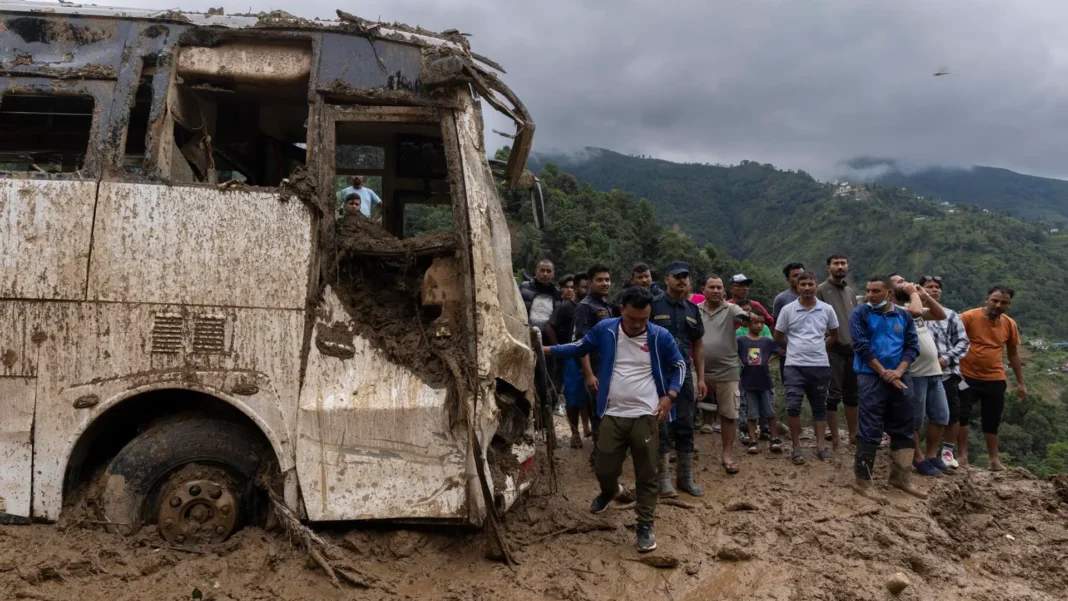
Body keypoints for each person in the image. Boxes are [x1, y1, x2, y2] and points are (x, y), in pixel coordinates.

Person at [544, 286, 685, 553]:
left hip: (647, 414)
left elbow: (679, 365)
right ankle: (609, 491)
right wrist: (545, 350)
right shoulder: (607, 329)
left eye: (643, 319)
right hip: (611, 412)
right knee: (604, 468)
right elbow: (579, 346)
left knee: (647, 473)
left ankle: (644, 524)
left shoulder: (659, 336)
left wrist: (670, 396)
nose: (637, 324)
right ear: (622, 311)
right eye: (632, 318)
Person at [849, 276, 924, 499]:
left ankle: (901, 477)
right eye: (868, 291)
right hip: (871, 376)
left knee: (904, 423)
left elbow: (912, 346)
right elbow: (861, 346)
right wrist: (884, 372)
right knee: (870, 425)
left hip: (900, 376)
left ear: (889, 293)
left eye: (876, 291)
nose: (870, 295)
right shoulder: (860, 313)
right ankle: (863, 481)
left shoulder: (903, 315)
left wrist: (899, 371)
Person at [650, 262, 706, 497]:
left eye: (686, 277)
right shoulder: (653, 305)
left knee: (686, 423)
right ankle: (662, 480)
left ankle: (685, 478)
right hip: (658, 374)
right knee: (660, 425)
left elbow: (699, 344)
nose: (682, 281)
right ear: (667, 279)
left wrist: (701, 378)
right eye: (677, 277)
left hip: (683, 374)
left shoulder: (693, 310)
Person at [957, 285, 1027, 471]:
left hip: (995, 379)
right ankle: (962, 456)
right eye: (995, 300)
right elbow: (953, 343)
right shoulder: (968, 317)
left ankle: (994, 460)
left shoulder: (1009, 324)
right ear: (987, 299)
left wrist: (1021, 383)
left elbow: (1013, 354)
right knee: (962, 414)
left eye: (1004, 302)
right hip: (966, 377)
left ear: (1009, 305)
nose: (998, 305)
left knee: (992, 419)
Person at [774, 272, 839, 465]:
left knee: (819, 406)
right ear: (797, 286)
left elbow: (835, 334)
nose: (807, 288)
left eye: (810, 284)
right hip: (794, 365)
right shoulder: (788, 309)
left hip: (820, 365)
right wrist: (792, 348)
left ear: (816, 285)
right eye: (803, 284)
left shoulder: (826, 309)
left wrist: (820, 347)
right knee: (793, 406)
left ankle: (820, 447)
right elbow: (778, 336)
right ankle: (796, 448)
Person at [698, 276, 750, 474]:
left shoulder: (731, 308)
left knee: (729, 413)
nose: (716, 290)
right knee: (682, 407)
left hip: (726, 369)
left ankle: (727, 453)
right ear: (703, 289)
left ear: (724, 291)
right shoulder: (696, 310)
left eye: (719, 287)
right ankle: (682, 448)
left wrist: (746, 317)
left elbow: (742, 316)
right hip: (697, 369)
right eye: (711, 287)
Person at [920, 275, 970, 470]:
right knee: (916, 414)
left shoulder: (950, 315)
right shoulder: (912, 312)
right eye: (930, 287)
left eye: (937, 287)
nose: (935, 290)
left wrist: (945, 358)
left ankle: (946, 452)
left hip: (947, 372)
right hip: (919, 372)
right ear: (919, 290)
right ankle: (918, 452)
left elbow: (963, 342)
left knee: (949, 413)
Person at [572, 264, 617, 464]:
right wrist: (589, 374)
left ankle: (606, 453)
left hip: (609, 365)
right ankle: (599, 457)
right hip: (596, 368)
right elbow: (581, 343)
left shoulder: (605, 305)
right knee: (600, 412)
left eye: (607, 279)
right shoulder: (586, 306)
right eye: (600, 280)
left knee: (610, 410)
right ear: (590, 283)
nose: (605, 283)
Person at [816, 254, 860, 450]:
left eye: (843, 263)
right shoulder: (821, 291)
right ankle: (834, 438)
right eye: (836, 263)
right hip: (832, 350)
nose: (840, 266)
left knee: (852, 395)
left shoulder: (850, 292)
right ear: (828, 267)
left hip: (853, 350)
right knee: (832, 395)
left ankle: (853, 435)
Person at [546, 274, 591, 447]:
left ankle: (591, 430)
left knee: (590, 397)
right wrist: (558, 349)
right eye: (582, 287)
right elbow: (550, 326)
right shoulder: (566, 307)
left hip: (592, 355)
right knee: (571, 397)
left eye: (588, 286)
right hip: (571, 356)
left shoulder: (596, 306)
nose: (585, 290)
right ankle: (574, 433)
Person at [738, 311, 784, 454]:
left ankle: (774, 438)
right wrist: (741, 362)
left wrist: (768, 361)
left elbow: (780, 350)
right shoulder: (740, 340)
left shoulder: (767, 341)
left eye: (761, 323)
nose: (758, 325)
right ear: (747, 323)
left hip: (765, 381)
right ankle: (752, 440)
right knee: (751, 413)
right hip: (748, 381)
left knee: (770, 411)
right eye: (755, 322)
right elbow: (732, 353)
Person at [520, 259, 560, 330]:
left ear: (553, 274)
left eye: (548, 271)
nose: (545, 274)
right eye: (542, 270)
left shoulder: (557, 294)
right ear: (536, 272)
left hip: (548, 336)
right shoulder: (523, 288)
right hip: (526, 332)